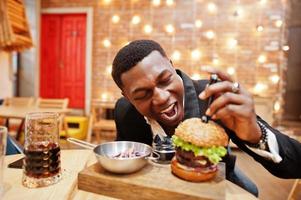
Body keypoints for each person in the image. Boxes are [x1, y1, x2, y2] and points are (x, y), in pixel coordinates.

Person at [111, 39, 301, 183]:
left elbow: (297, 163)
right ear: (127, 96)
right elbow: (125, 162)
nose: (161, 97)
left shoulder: (215, 98)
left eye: (165, 80)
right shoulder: (124, 112)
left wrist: (255, 135)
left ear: (172, 65)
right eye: (143, 94)